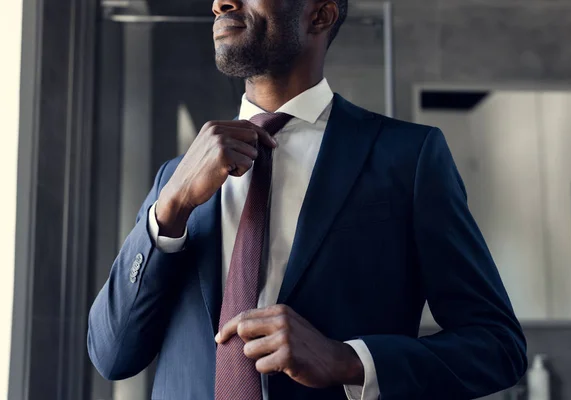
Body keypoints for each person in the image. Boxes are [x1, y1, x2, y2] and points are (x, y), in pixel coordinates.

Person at [87, 0, 527, 399]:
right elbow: (112, 355)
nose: (221, 2)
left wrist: (347, 360)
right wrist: (172, 207)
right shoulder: (177, 177)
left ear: (320, 14)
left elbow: (497, 345)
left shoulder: (407, 158)